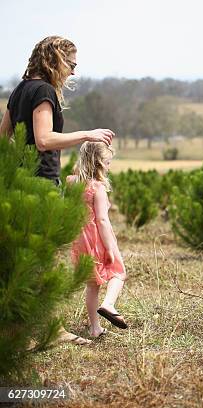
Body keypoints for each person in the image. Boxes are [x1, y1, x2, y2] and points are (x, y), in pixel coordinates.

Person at [0, 36, 115, 345]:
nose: (73, 73)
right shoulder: (43, 91)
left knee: (24, 261)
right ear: (55, 61)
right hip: (41, 184)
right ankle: (54, 332)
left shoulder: (19, 91)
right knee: (43, 262)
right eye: (72, 65)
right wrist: (87, 134)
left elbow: (4, 138)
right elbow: (44, 140)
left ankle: (19, 331)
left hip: (21, 183)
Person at [67, 142, 128, 337]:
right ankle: (109, 304)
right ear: (99, 163)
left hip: (79, 238)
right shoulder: (97, 188)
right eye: (107, 163)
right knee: (118, 272)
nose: (109, 166)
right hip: (97, 238)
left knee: (92, 284)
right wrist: (110, 247)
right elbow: (102, 220)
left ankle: (95, 328)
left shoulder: (71, 182)